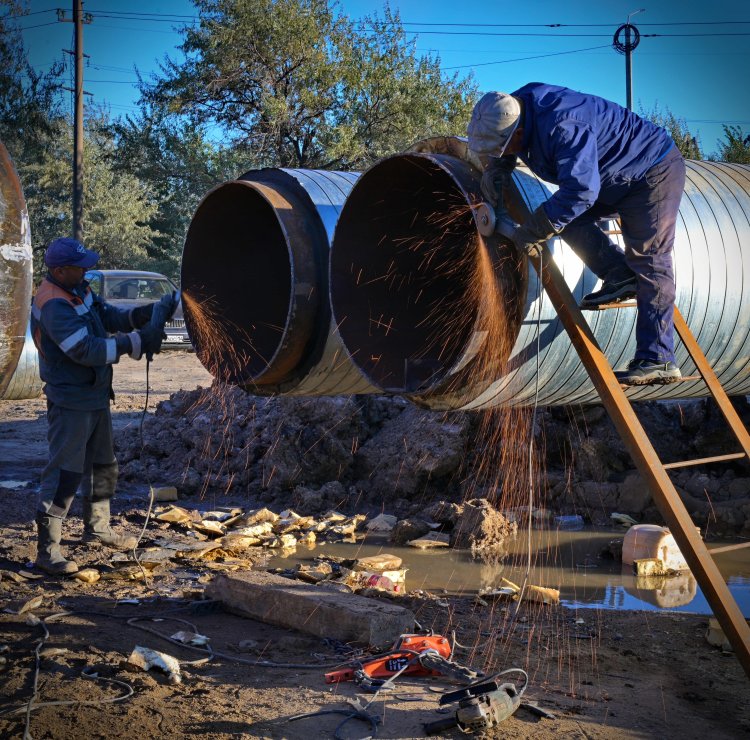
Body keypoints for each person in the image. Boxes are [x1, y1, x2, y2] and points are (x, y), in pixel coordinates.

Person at [467, 83, 686, 386]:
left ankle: (658, 358)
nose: (501, 154)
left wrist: (532, 231)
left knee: (650, 261)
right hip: (609, 175)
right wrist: (497, 170)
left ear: (516, 132)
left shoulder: (563, 125)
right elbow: (574, 192)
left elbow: (582, 191)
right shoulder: (509, 108)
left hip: (651, 171)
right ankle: (618, 273)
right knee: (564, 219)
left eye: (502, 150)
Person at [30, 237, 176, 575]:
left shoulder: (79, 289)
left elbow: (107, 316)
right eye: (79, 267)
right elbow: (85, 350)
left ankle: (98, 529)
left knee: (103, 466)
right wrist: (136, 342)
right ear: (59, 270)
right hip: (71, 400)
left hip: (94, 395)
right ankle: (48, 551)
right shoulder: (53, 304)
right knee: (66, 473)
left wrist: (144, 314)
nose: (86, 271)